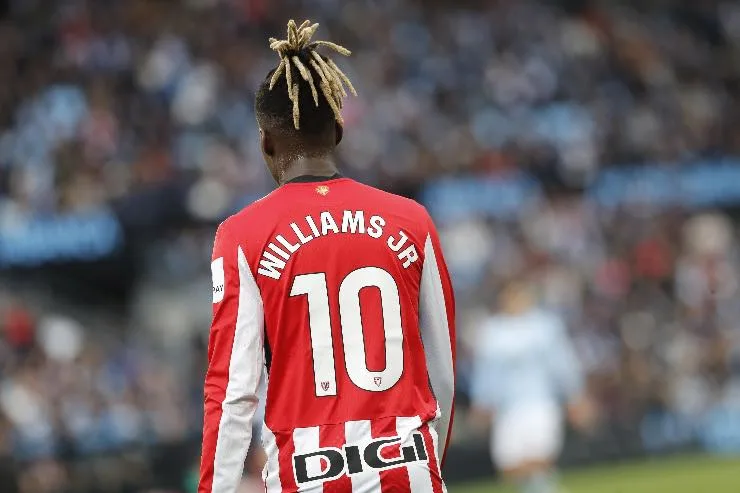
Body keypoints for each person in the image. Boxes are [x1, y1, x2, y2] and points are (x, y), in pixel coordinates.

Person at [198, 20, 456, 493]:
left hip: (308, 475)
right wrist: (425, 463)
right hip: (408, 467)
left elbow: (232, 392)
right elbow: (444, 371)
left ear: (266, 142)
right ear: (338, 130)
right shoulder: (411, 220)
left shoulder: (240, 236)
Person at [469, 281, 594, 493]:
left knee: (541, 455)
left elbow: (562, 363)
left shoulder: (545, 326)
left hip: (541, 403)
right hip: (507, 409)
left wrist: (574, 397)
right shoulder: (493, 331)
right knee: (508, 466)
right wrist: (482, 404)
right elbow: (486, 373)